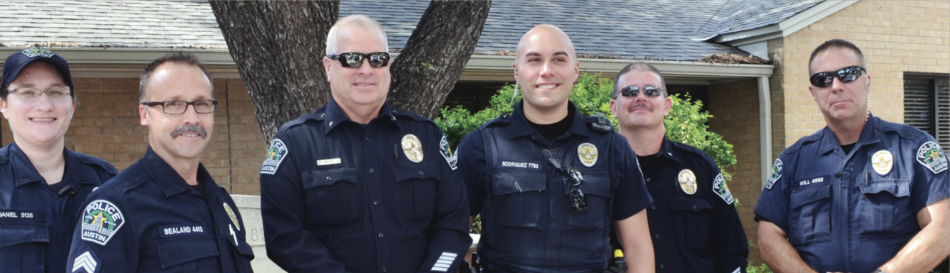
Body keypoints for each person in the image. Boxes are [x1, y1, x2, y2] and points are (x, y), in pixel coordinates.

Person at [259, 14, 471, 273]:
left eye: (378, 59)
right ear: (328, 67)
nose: (367, 70)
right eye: (352, 59)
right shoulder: (296, 143)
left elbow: (453, 225)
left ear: (388, 65)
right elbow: (285, 237)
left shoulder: (426, 136)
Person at [457, 24, 655, 273]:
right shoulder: (480, 146)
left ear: (575, 71)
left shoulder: (612, 148)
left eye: (558, 59)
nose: (546, 71)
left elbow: (638, 248)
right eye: (534, 60)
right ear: (517, 72)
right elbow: (452, 238)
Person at [755, 39, 950, 273]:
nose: (836, 86)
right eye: (823, 80)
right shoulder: (793, 161)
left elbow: (943, 229)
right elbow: (767, 239)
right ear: (813, 92)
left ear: (867, 82)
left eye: (848, 74)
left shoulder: (913, 148)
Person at [0, 47, 118, 273]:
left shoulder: (107, 182)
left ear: (72, 106)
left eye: (56, 92)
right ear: (3, 105)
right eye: (28, 92)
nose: (44, 105)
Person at [65, 53, 254, 273]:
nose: (192, 119)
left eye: (202, 103)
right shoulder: (115, 207)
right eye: (174, 104)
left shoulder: (221, 202)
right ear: (144, 114)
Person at [609, 62, 749, 272]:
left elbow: (731, 251)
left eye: (651, 91)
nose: (640, 97)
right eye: (629, 91)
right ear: (613, 107)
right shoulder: (599, 172)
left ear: (666, 106)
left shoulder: (701, 168)